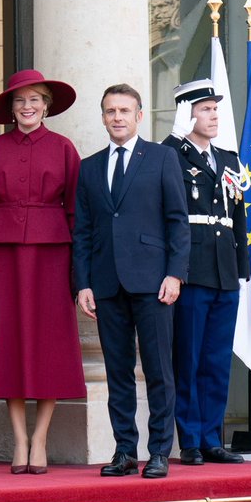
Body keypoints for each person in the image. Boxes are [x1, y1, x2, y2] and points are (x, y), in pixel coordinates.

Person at [0, 69, 85, 474]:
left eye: (35, 99)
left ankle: (41, 440)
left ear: (46, 105)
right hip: (4, 257)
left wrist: (78, 271)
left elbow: (75, 211)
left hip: (53, 257)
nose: (27, 107)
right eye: (20, 101)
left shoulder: (64, 148)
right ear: (11, 109)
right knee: (10, 346)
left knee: (49, 346)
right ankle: (20, 440)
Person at [74, 84, 188, 479]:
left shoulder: (161, 158)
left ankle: (158, 451)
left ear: (139, 115)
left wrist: (175, 273)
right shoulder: (88, 168)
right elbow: (83, 231)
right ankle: (124, 451)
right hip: (106, 285)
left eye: (124, 110)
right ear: (103, 117)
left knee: (158, 370)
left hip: (154, 282)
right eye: (110, 111)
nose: (117, 117)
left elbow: (178, 220)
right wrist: (82, 283)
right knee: (117, 371)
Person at [162, 78, 250, 466]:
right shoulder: (169, 155)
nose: (214, 116)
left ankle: (213, 438)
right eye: (205, 109)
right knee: (189, 358)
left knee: (216, 360)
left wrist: (241, 271)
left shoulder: (228, 158)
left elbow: (238, 219)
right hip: (191, 271)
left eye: (216, 109)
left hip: (224, 271)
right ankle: (191, 440)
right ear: (187, 113)